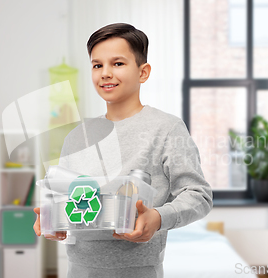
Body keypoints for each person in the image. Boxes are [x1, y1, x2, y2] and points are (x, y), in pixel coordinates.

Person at [33, 23, 213, 278]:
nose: (105, 73)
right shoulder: (76, 137)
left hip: (139, 271)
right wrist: (52, 219)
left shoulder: (167, 128)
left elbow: (199, 195)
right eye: (97, 65)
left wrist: (158, 218)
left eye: (117, 63)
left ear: (143, 72)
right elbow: (63, 198)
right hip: (79, 270)